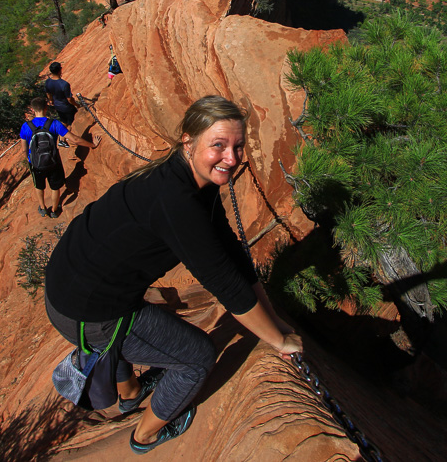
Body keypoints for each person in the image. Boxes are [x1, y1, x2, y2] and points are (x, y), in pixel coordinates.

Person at [44, 96, 301, 454]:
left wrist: (272, 321)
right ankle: (144, 435)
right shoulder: (176, 201)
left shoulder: (187, 179)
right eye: (219, 145)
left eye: (238, 146)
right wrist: (280, 341)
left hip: (70, 283)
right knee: (196, 358)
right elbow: (225, 284)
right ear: (188, 141)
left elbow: (230, 252)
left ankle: (131, 393)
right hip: (90, 311)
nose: (232, 157)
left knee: (140, 310)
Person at [21, 98, 97, 218]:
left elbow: (25, 149)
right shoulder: (54, 124)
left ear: (32, 110)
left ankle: (43, 208)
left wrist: (29, 160)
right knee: (55, 187)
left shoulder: (26, 126)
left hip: (35, 164)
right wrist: (92, 144)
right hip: (53, 162)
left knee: (39, 186)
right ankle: (54, 210)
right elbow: (74, 139)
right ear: (46, 108)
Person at [45, 62, 77, 148]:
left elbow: (48, 93)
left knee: (64, 121)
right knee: (71, 123)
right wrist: (77, 105)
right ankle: (64, 140)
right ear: (60, 70)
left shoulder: (48, 82)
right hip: (66, 106)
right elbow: (69, 99)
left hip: (57, 105)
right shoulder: (64, 84)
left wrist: (51, 100)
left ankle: (60, 139)